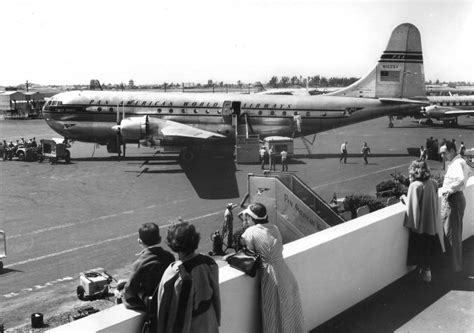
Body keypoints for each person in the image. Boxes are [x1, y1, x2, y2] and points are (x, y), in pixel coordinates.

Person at [240, 203, 305, 333]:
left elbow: (246, 251)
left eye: (247, 218)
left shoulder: (250, 232)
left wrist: (244, 227)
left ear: (252, 218)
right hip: (285, 272)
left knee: (272, 312)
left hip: (271, 277)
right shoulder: (274, 228)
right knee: (290, 311)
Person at [157, 222, 221, 333]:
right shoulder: (209, 263)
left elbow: (163, 309)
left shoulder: (173, 272)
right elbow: (216, 296)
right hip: (209, 321)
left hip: (188, 326)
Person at [401, 160, 445, 282]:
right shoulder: (433, 183)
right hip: (430, 223)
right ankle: (427, 272)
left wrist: (404, 198)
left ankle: (424, 273)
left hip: (419, 226)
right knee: (428, 248)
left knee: (419, 249)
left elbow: (412, 207)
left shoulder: (415, 186)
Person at [120, 223, 175, 311]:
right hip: (168, 298)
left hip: (151, 302)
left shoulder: (140, 263)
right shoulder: (170, 257)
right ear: (160, 239)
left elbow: (130, 290)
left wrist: (121, 292)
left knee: (122, 290)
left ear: (139, 241)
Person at [440, 141, 470, 274]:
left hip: (453, 200)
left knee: (451, 234)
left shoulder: (457, 163)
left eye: (444, 152)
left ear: (452, 151)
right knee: (455, 233)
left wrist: (449, 191)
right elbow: (468, 173)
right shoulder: (461, 161)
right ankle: (456, 265)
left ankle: (454, 268)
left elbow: (460, 180)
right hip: (458, 199)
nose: (443, 155)